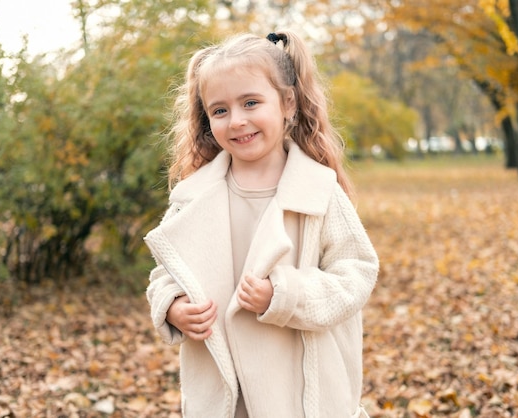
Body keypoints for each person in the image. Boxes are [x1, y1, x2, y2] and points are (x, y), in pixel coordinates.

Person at [144, 30, 379, 418]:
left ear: (287, 103)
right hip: (225, 393)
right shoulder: (194, 197)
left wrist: (284, 296)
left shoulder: (318, 191)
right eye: (219, 111)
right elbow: (165, 273)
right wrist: (172, 306)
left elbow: (356, 273)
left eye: (250, 102)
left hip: (297, 391)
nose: (237, 121)